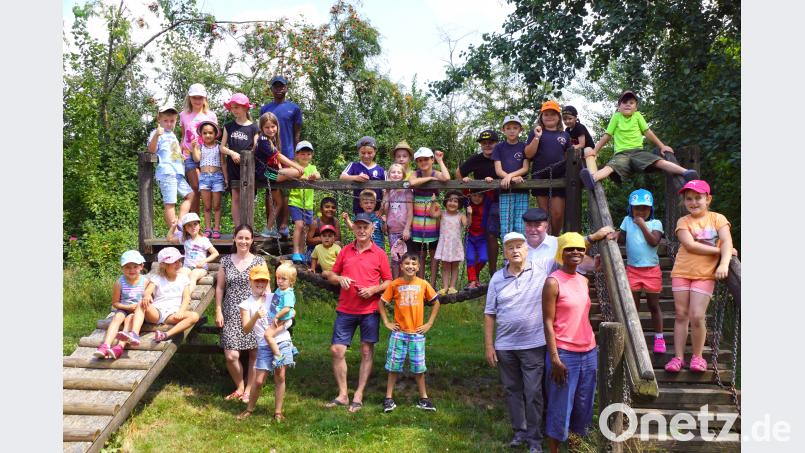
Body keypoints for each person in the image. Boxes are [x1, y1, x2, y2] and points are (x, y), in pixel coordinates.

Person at [484, 232, 554, 453]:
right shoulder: (496, 278)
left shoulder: (540, 270)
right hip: (505, 346)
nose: (515, 250)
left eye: (519, 246)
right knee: (512, 390)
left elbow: (569, 251)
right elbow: (489, 313)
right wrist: (489, 345)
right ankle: (519, 431)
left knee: (533, 392)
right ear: (504, 252)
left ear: (526, 250)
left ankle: (534, 438)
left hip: (533, 344)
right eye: (510, 247)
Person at [324, 213, 393, 413]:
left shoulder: (380, 253)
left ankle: (359, 394)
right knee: (337, 350)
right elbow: (331, 275)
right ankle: (343, 394)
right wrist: (339, 280)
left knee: (366, 351)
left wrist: (373, 290)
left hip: (370, 309)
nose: (362, 231)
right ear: (353, 229)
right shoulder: (345, 251)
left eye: (366, 227)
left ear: (373, 229)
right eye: (358, 227)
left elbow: (388, 281)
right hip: (346, 308)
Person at [665, 180, 734, 373]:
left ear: (708, 199)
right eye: (689, 199)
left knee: (697, 315)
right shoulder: (683, 221)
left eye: (698, 198)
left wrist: (723, 263)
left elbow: (727, 241)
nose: (693, 202)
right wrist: (718, 251)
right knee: (681, 315)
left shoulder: (717, 219)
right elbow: (690, 245)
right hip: (682, 271)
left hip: (704, 274)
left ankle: (697, 356)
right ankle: (678, 357)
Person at [542, 233, 598, 453]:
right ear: (561, 252)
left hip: (589, 351)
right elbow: (547, 321)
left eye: (580, 249)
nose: (576, 252)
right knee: (560, 406)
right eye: (570, 249)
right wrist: (554, 357)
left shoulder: (584, 280)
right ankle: (554, 449)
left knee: (583, 405)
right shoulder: (553, 282)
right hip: (564, 353)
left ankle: (576, 448)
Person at [579, 90, 698, 190]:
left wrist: (662, 146)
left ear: (636, 107)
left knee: (657, 161)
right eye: (624, 102)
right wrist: (595, 150)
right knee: (611, 167)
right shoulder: (616, 117)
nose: (628, 105)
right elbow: (607, 136)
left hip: (638, 152)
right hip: (621, 154)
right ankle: (592, 178)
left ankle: (685, 172)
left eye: (631, 102)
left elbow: (648, 132)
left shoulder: (637, 116)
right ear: (618, 107)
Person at [378, 252, 441, 413]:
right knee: (393, 366)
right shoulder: (394, 284)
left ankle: (424, 399)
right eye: (406, 263)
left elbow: (436, 302)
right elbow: (381, 303)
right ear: (401, 266)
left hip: (417, 334)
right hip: (399, 333)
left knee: (419, 368)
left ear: (418, 267)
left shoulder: (423, 284)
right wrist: (387, 322)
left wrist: (429, 323)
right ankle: (388, 399)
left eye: (413, 264)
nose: (410, 266)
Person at [609, 189, 666, 353]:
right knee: (633, 305)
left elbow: (654, 241)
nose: (640, 212)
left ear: (651, 209)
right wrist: (615, 234)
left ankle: (659, 338)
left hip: (651, 270)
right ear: (631, 209)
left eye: (644, 208)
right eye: (637, 208)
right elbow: (623, 237)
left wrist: (642, 225)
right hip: (633, 270)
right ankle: (633, 335)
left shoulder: (656, 224)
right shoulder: (627, 220)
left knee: (653, 305)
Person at [237, 264, 295, 421]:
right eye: (257, 280)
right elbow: (246, 329)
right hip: (263, 344)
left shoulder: (273, 297)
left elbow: (290, 314)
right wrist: (255, 315)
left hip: (282, 340)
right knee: (259, 379)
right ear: (250, 281)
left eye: (263, 281)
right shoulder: (246, 304)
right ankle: (249, 409)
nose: (260, 284)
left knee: (280, 375)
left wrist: (286, 321)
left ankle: (278, 412)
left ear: (268, 282)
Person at [215, 225, 265, 403]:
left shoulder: (259, 261)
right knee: (231, 355)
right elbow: (220, 287)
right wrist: (218, 309)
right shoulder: (226, 261)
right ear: (234, 238)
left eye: (247, 238)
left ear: (252, 240)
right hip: (231, 312)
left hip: (253, 312)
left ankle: (249, 389)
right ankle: (240, 386)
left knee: (254, 353)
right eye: (240, 237)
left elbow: (267, 289)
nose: (243, 241)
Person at [260, 75, 303, 239]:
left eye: (281, 86)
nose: (278, 89)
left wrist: (296, 158)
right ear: (271, 89)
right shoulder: (266, 109)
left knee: (285, 191)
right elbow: (261, 131)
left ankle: (284, 226)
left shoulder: (294, 108)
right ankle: (269, 227)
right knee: (270, 190)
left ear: (286, 88)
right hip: (269, 158)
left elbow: (296, 133)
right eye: (275, 86)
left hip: (288, 155)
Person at [132, 247, 201, 343]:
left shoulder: (183, 278)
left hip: (172, 314)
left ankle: (165, 335)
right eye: (174, 262)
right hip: (157, 312)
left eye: (179, 261)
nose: (178, 264)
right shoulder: (157, 278)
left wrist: (181, 311)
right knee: (141, 303)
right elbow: (147, 291)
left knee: (194, 316)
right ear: (163, 265)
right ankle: (134, 333)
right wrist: (147, 296)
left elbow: (186, 297)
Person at [524, 100, 572, 235]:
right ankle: (547, 241)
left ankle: (555, 239)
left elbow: (569, 156)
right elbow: (528, 154)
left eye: (553, 114)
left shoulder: (564, 135)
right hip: (540, 177)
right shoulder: (536, 133)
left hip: (559, 177)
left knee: (557, 214)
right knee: (544, 215)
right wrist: (537, 137)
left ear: (559, 117)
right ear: (541, 117)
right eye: (546, 114)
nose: (549, 117)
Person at [457, 129, 501, 275]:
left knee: (502, 235)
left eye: (491, 143)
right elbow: (459, 173)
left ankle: (500, 271)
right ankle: (479, 275)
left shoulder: (502, 156)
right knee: (487, 234)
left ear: (497, 143)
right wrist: (465, 184)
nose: (487, 145)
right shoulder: (476, 159)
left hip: (504, 198)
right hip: (482, 203)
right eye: (484, 143)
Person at [255, 112, 305, 238]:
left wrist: (285, 169)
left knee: (279, 202)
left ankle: (268, 229)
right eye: (267, 127)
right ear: (262, 128)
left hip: (271, 173)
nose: (270, 130)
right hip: (265, 174)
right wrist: (296, 166)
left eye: (273, 126)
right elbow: (278, 156)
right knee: (295, 172)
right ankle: (295, 175)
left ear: (277, 126)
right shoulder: (263, 140)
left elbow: (276, 160)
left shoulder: (273, 140)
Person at [94, 250, 148, 360]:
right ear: (122, 268)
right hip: (124, 308)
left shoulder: (145, 281)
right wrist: (127, 307)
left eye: (135, 266)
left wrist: (138, 307)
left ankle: (119, 347)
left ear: (141, 266)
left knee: (130, 319)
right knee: (117, 317)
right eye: (127, 267)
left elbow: (149, 299)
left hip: (138, 312)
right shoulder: (119, 282)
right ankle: (105, 345)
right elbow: (115, 303)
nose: (131, 270)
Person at [409, 147, 451, 286]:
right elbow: (412, 182)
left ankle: (431, 285)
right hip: (418, 220)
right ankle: (421, 283)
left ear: (431, 159)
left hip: (432, 217)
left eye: (426, 159)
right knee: (420, 254)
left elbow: (446, 178)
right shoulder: (415, 173)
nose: (423, 162)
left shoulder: (436, 172)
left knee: (434, 254)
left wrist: (440, 160)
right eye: (420, 160)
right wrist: (431, 179)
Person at [147, 105, 191, 234]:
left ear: (176, 121)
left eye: (172, 121)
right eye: (166, 121)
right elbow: (151, 150)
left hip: (177, 172)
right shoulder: (157, 133)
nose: (169, 123)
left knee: (191, 195)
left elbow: (172, 152)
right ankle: (175, 232)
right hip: (167, 172)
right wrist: (156, 135)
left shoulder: (172, 135)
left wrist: (181, 155)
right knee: (170, 203)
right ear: (159, 120)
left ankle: (180, 223)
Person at [221, 93, 259, 225]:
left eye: (237, 107)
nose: (234, 110)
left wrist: (246, 156)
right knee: (236, 197)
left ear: (245, 108)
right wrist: (232, 153)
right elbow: (222, 147)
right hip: (233, 165)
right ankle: (237, 227)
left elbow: (256, 147)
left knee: (248, 197)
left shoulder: (254, 127)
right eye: (232, 107)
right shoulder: (229, 126)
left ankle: (248, 226)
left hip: (248, 166)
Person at [180, 83, 218, 214]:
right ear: (189, 98)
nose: (197, 100)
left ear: (205, 98)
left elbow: (215, 136)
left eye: (200, 97)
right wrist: (178, 155)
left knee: (206, 188)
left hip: (206, 154)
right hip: (189, 154)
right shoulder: (183, 115)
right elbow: (183, 135)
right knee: (195, 186)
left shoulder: (211, 115)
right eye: (194, 97)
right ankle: (194, 223)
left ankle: (207, 224)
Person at [493, 115, 530, 239]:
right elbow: (498, 170)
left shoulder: (524, 146)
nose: (512, 130)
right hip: (505, 191)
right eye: (508, 128)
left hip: (522, 191)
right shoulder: (499, 147)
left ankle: (521, 257)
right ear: (503, 130)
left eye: (515, 127)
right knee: (506, 228)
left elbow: (525, 168)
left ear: (520, 130)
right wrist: (511, 178)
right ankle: (507, 259)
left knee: (520, 227)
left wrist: (511, 176)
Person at [168, 212, 219, 294]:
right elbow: (170, 238)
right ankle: (175, 295)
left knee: (193, 275)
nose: (193, 227)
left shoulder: (204, 240)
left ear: (199, 226)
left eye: (195, 224)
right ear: (185, 229)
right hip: (187, 267)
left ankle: (187, 296)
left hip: (200, 268)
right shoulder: (184, 239)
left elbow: (215, 253)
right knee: (180, 274)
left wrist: (204, 261)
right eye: (189, 225)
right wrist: (174, 226)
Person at [288, 141, 321, 264]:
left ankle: (302, 252)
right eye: (302, 154)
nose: (305, 156)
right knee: (299, 225)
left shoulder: (312, 168)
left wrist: (314, 176)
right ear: (297, 155)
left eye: (308, 154)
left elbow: (318, 175)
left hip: (308, 203)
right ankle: (296, 251)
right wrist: (297, 176)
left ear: (311, 155)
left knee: (305, 229)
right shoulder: (294, 166)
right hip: (295, 201)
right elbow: (289, 175)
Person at [191, 121, 226, 238]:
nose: (208, 135)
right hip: (204, 177)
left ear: (215, 134)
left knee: (216, 205)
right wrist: (194, 147)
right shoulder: (200, 147)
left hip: (217, 176)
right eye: (205, 133)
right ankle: (207, 229)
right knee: (206, 206)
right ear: (201, 134)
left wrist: (226, 178)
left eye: (210, 133)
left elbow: (223, 163)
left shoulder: (219, 147)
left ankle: (216, 228)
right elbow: (196, 159)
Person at [430, 190, 468, 295]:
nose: (452, 203)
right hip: (445, 244)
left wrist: (469, 214)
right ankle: (445, 287)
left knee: (455, 266)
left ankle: (452, 287)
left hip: (455, 244)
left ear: (459, 204)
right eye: (450, 200)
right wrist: (433, 202)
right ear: (446, 202)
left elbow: (467, 224)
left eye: (455, 201)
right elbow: (432, 214)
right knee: (445, 266)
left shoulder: (461, 215)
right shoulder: (442, 213)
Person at [263, 261, 297, 368]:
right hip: (280, 319)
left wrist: (277, 316)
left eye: (283, 279)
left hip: (282, 319)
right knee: (273, 335)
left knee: (268, 335)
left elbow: (287, 308)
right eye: (278, 278)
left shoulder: (287, 293)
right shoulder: (280, 290)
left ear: (291, 281)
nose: (280, 281)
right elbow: (276, 300)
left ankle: (278, 356)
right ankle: (291, 347)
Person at [340, 136, 386, 213]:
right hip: (359, 211)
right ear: (358, 152)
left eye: (369, 153)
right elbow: (342, 177)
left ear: (375, 152)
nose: (366, 156)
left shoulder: (380, 170)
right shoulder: (353, 165)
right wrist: (356, 177)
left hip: (376, 212)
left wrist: (382, 209)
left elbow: (385, 191)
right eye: (363, 153)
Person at [383, 163, 413, 278]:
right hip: (393, 230)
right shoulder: (389, 191)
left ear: (403, 175)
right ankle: (396, 281)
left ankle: (405, 280)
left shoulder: (407, 191)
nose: (396, 174)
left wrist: (407, 229)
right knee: (395, 258)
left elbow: (410, 211)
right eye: (393, 172)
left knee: (405, 258)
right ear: (389, 175)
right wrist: (386, 192)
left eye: (399, 172)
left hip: (404, 230)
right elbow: (385, 209)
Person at [465, 190, 489, 289]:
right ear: (470, 196)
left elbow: (490, 192)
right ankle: (472, 281)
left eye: (480, 196)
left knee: (484, 258)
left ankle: (474, 277)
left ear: (483, 197)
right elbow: (465, 190)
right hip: (470, 237)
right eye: (474, 195)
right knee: (470, 258)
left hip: (482, 237)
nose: (477, 198)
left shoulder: (487, 204)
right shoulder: (467, 204)